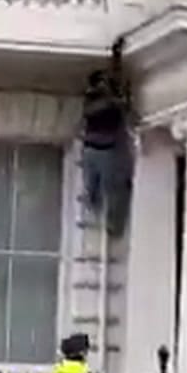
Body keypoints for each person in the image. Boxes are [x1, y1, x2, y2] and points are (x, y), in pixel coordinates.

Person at [83, 35, 135, 237]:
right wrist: (116, 102)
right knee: (94, 190)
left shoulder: (111, 91)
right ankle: (98, 216)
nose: (105, 85)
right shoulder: (92, 98)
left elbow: (117, 71)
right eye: (102, 83)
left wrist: (117, 52)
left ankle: (113, 225)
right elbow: (92, 111)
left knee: (113, 189)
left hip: (107, 149)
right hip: (95, 149)